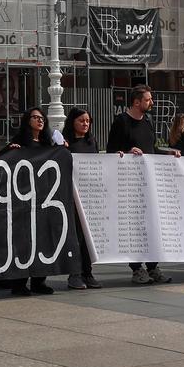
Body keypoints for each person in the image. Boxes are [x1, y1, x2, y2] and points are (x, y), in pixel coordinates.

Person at [105, 85, 178, 285]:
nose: (151, 103)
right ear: (136, 102)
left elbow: (151, 148)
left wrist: (168, 152)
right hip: (129, 184)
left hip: (149, 183)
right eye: (147, 100)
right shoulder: (121, 122)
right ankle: (137, 268)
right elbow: (112, 151)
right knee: (135, 227)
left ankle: (153, 267)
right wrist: (128, 153)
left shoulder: (148, 121)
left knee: (153, 224)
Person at [0, 107, 58, 296]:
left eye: (42, 118)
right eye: (35, 117)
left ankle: (39, 281)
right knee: (24, 242)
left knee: (42, 241)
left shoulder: (47, 144)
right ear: (27, 121)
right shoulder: (19, 143)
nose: (39, 121)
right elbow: (3, 163)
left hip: (42, 199)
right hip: (23, 199)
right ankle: (19, 283)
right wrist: (10, 151)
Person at [62, 107, 104, 290]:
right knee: (76, 237)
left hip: (89, 198)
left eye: (88, 121)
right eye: (81, 121)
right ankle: (75, 274)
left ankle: (88, 272)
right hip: (72, 198)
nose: (85, 124)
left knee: (88, 237)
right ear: (72, 122)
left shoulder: (91, 141)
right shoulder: (65, 143)